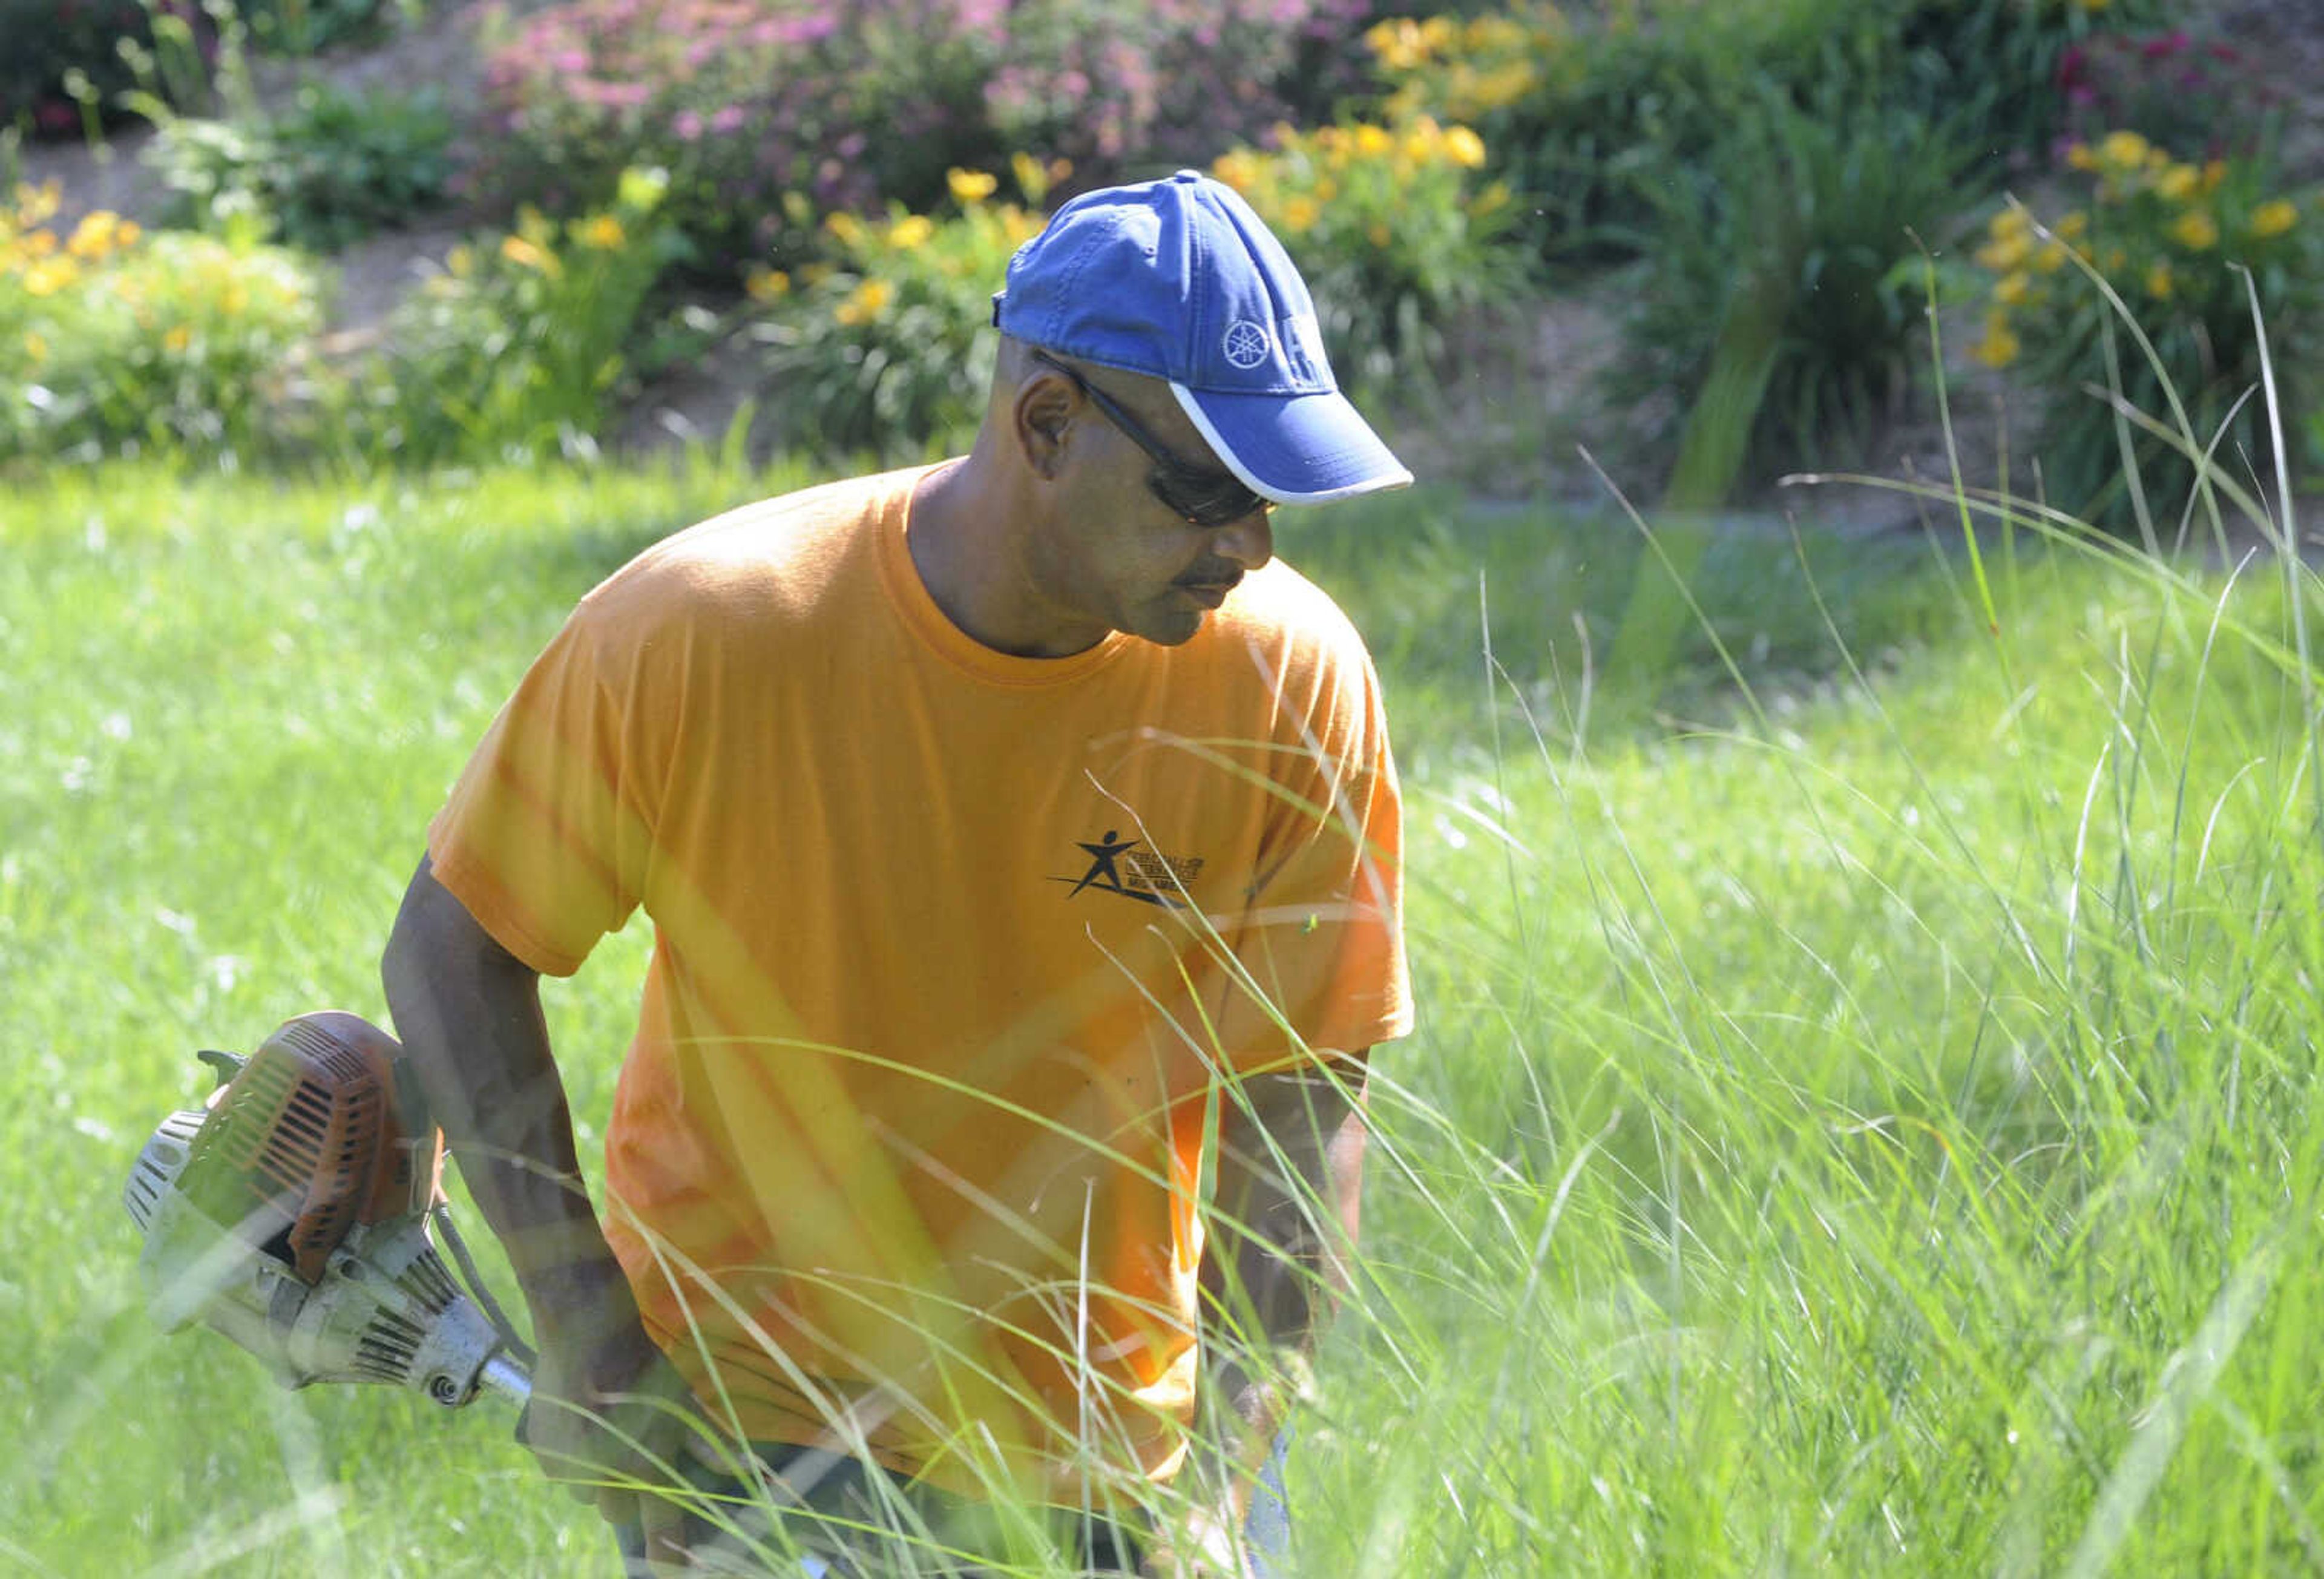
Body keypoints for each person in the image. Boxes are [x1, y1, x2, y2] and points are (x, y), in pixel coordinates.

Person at [381, 169, 1413, 1576]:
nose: (1252, 545)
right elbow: (458, 946)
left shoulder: (1290, 676)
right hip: (756, 1433)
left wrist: (1226, 1476)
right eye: (1205, 491)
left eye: (1273, 496)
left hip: (1120, 1452)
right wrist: (588, 1334)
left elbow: (1302, 1104)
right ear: (1046, 424)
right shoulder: (714, 631)